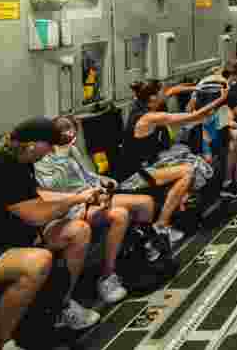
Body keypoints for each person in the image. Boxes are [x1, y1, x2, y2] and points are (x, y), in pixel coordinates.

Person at [0, 118, 103, 347]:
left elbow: (38, 199)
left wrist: (84, 194)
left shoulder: (22, 162)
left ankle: (61, 307)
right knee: (38, 261)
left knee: (78, 231)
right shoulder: (0, 166)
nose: (53, 149)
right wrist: (76, 199)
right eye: (50, 144)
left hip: (9, 242)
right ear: (32, 144)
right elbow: (37, 215)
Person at [35, 116, 160, 303]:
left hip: (91, 196)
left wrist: (103, 181)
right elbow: (53, 187)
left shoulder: (73, 151)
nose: (70, 134)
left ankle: (138, 254)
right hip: (70, 207)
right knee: (120, 215)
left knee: (145, 202)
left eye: (72, 129)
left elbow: (87, 175)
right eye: (65, 130)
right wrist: (63, 155)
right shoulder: (43, 159)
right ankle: (107, 276)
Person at [119, 79, 225, 245]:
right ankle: (162, 223)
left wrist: (198, 87)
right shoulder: (149, 117)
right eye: (162, 92)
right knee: (188, 171)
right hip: (135, 174)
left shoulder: (143, 102)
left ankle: (182, 199)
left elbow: (173, 89)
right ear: (153, 97)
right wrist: (220, 99)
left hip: (150, 163)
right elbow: (194, 116)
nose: (165, 94)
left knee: (192, 159)